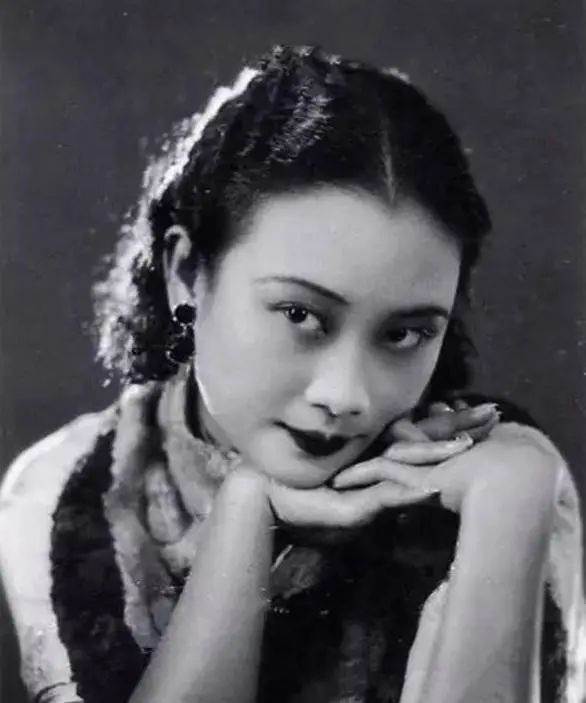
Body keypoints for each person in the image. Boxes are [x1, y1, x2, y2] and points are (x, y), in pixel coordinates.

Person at [0, 45, 583, 703]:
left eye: (404, 334)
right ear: (186, 273)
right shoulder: (68, 492)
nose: (346, 395)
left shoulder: (499, 471)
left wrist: (510, 501)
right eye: (302, 315)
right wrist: (246, 510)